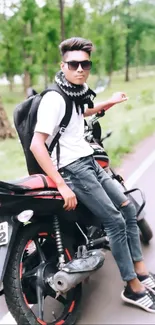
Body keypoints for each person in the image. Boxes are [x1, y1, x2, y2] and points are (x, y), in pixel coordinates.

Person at [30, 37, 155, 313]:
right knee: (114, 221)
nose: (80, 69)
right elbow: (37, 145)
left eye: (85, 64)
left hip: (89, 161)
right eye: (73, 64)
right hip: (73, 169)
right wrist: (62, 185)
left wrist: (107, 103)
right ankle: (132, 287)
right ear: (62, 65)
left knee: (126, 207)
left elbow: (82, 112)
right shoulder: (54, 97)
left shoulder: (75, 93)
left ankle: (142, 272)